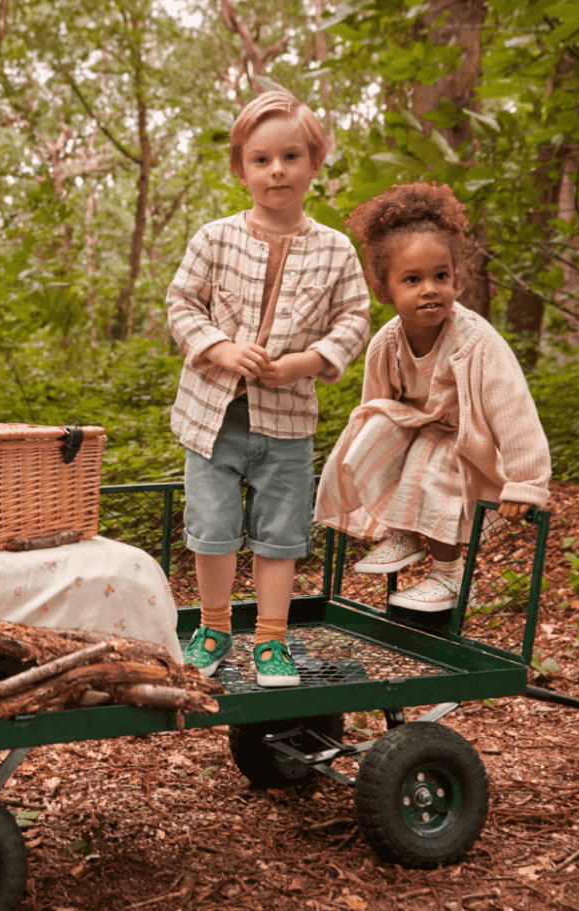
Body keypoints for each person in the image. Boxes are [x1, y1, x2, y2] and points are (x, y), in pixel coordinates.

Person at [167, 89, 371, 686]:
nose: (276, 170)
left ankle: (272, 642)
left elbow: (355, 318)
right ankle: (212, 627)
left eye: (290, 157)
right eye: (261, 159)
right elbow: (182, 302)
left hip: (286, 420)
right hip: (213, 414)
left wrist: (307, 360)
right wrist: (221, 348)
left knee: (281, 533)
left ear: (314, 163)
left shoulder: (335, 250)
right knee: (212, 526)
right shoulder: (214, 238)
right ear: (241, 169)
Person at [314, 181, 550, 611]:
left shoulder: (476, 342)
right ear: (386, 291)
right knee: (372, 428)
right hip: (414, 439)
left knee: (435, 458)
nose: (429, 289)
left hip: (465, 449)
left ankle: (450, 576)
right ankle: (400, 532)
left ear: (456, 278)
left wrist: (527, 483)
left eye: (441, 276)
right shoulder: (386, 344)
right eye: (413, 279)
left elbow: (514, 411)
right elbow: (375, 413)